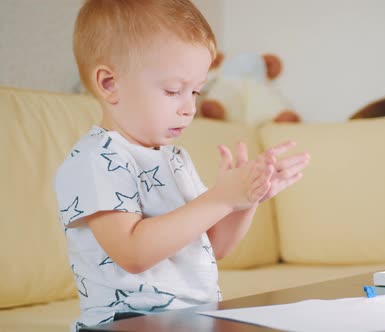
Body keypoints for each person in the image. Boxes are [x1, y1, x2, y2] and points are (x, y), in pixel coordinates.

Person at [54, 1, 310, 330]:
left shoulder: (174, 158)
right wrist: (220, 198)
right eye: (174, 90)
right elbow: (132, 252)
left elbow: (215, 246)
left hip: (192, 317)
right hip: (128, 322)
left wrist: (246, 199)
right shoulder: (95, 159)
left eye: (196, 92)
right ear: (109, 84)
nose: (189, 108)